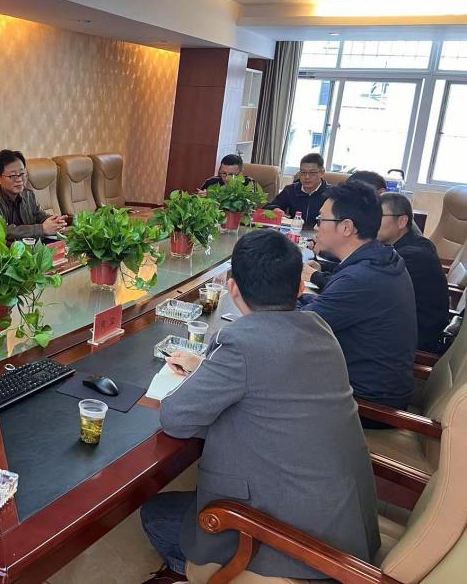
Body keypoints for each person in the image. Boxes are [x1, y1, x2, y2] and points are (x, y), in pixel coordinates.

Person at [141, 230, 379, 580]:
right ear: (300, 287)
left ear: (233, 288)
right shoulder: (320, 328)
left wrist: (208, 373)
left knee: (157, 515)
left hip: (299, 547)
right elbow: (272, 382)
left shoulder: (242, 342)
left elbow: (176, 418)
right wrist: (212, 369)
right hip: (346, 529)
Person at [299, 182, 417, 414]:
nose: (316, 226)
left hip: (365, 403)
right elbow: (325, 309)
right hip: (368, 385)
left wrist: (265, 298)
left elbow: (297, 329)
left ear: (346, 227)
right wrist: (300, 298)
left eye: (321, 219)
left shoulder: (361, 277)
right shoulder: (380, 259)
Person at [378, 192, 449, 352]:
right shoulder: (413, 243)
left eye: (379, 216)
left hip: (416, 341)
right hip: (403, 326)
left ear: (402, 221)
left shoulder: (412, 256)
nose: (372, 222)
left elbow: (369, 285)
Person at [0, 149, 67, 240]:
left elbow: (40, 217)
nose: (19, 179)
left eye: (22, 173)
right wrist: (41, 229)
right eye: (13, 176)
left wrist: (56, 221)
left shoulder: (28, 195)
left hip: (32, 245)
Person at [267, 152, 331, 227]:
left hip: (320, 232)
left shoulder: (331, 194)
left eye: (312, 172)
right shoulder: (291, 190)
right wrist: (274, 209)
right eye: (303, 172)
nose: (307, 177)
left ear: (322, 173)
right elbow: (269, 207)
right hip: (294, 231)